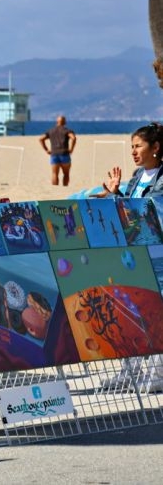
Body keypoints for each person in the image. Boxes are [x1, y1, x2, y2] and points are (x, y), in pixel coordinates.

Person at [99, 122, 163, 393]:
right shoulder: (138, 175)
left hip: (158, 255)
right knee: (129, 309)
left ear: (156, 147)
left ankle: (158, 372)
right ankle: (131, 370)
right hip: (134, 254)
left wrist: (122, 202)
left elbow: (150, 212)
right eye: (132, 147)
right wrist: (116, 194)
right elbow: (131, 211)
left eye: (139, 146)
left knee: (156, 310)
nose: (134, 152)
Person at [39, 115, 76, 186]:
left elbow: (41, 139)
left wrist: (46, 150)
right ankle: (65, 187)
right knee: (66, 173)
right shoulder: (66, 130)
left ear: (57, 122)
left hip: (54, 154)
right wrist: (71, 149)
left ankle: (55, 189)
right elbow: (73, 138)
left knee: (54, 173)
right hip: (64, 153)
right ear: (64, 122)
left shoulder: (51, 130)